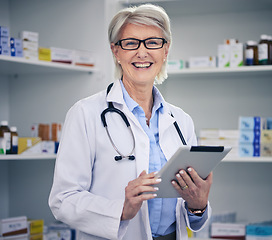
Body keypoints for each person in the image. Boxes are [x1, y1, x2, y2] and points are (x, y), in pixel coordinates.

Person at [49, 4, 213, 240]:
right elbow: (62, 199)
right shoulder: (86, 113)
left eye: (153, 42)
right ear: (116, 52)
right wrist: (120, 211)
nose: (142, 52)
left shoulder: (181, 121)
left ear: (165, 51)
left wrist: (198, 206)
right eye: (131, 43)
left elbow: (192, 208)